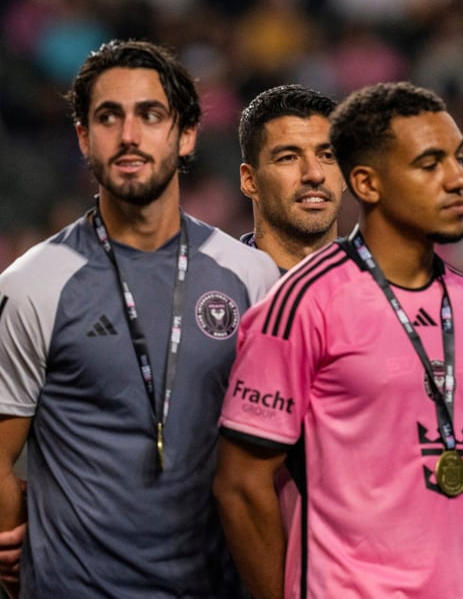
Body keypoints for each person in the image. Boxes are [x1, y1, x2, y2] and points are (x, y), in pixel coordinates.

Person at [0, 39, 280, 597]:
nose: (129, 135)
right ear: (84, 137)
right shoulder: (32, 283)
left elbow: (272, 464)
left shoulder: (252, 278)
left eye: (150, 115)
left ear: (187, 134)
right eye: (108, 117)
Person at [213, 81, 463, 598]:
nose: (459, 179)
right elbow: (239, 485)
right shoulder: (296, 303)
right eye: (430, 163)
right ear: (367, 182)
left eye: (458, 159)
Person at [238, 84, 344, 272]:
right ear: (250, 181)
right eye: (288, 158)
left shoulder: (388, 285)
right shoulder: (214, 288)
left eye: (327, 156)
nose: (315, 174)